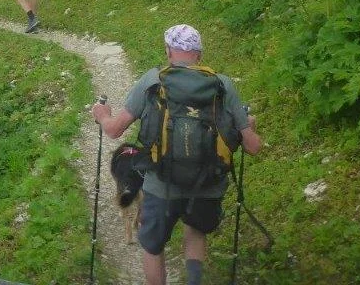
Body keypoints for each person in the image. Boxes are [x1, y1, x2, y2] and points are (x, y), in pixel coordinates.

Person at [91, 25, 262, 285]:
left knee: (152, 246)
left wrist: (102, 115)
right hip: (208, 185)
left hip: (162, 184)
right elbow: (253, 147)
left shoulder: (152, 80)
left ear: (169, 51)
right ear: (199, 55)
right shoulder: (222, 84)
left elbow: (115, 130)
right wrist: (248, 124)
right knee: (195, 230)